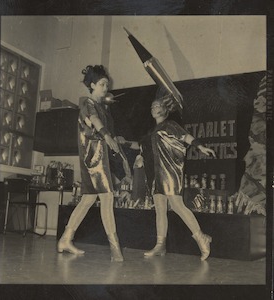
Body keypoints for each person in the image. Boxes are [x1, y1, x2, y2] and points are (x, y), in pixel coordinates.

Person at [119, 92, 216, 261]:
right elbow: (140, 145)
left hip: (170, 172)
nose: (154, 108)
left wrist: (200, 146)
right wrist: (124, 142)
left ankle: (202, 237)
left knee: (177, 205)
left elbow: (186, 137)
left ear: (165, 109)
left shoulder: (170, 125)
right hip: (156, 175)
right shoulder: (150, 132)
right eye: (152, 106)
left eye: (157, 106)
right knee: (159, 209)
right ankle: (160, 245)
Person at [57, 65, 124, 262]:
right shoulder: (87, 102)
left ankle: (65, 239)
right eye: (102, 84)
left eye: (107, 85)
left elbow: (102, 125)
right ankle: (115, 249)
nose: (106, 88)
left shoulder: (103, 107)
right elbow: (93, 120)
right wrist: (107, 137)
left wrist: (114, 139)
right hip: (93, 157)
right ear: (92, 84)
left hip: (97, 156)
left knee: (87, 199)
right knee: (107, 197)